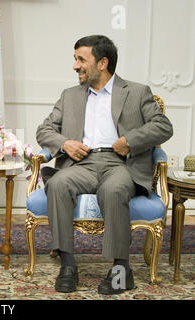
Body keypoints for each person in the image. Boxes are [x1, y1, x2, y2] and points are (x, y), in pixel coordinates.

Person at [36, 35, 173, 295]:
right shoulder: (70, 95)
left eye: (81, 59)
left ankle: (121, 270)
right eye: (75, 59)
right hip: (82, 163)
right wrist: (66, 143)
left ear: (102, 63)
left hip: (120, 164)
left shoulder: (136, 91)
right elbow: (44, 129)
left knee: (112, 190)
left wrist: (129, 141)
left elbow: (163, 127)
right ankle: (67, 265)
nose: (75, 66)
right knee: (58, 183)